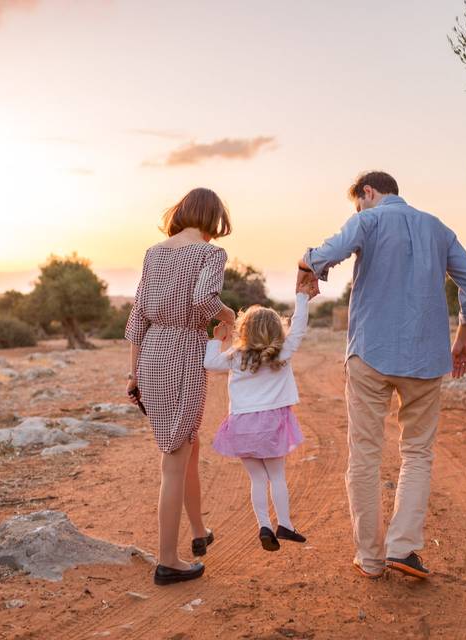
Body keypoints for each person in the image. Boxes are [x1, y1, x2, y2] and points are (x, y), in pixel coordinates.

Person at [298, 171, 466, 579]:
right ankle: (403, 548)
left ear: (368, 192)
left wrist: (306, 263)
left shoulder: (369, 219)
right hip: (426, 357)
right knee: (417, 453)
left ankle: (369, 558)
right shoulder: (438, 228)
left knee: (365, 454)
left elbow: (331, 250)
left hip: (370, 354)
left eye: (358, 202)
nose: (359, 209)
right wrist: (463, 336)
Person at [125, 187, 237, 586]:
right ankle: (168, 560)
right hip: (183, 350)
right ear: (213, 219)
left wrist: (133, 373)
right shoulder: (210, 254)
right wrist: (231, 316)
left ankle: (197, 532)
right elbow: (204, 299)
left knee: (187, 445)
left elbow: (138, 316)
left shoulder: (155, 253)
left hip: (153, 352)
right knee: (175, 458)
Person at [203, 278, 316, 551]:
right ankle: (285, 525)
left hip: (242, 425)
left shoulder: (235, 355)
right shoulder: (282, 353)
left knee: (257, 478)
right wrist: (302, 297)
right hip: (272, 423)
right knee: (277, 476)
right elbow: (299, 327)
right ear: (278, 330)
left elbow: (209, 363)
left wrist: (217, 340)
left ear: (245, 330)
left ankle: (264, 525)